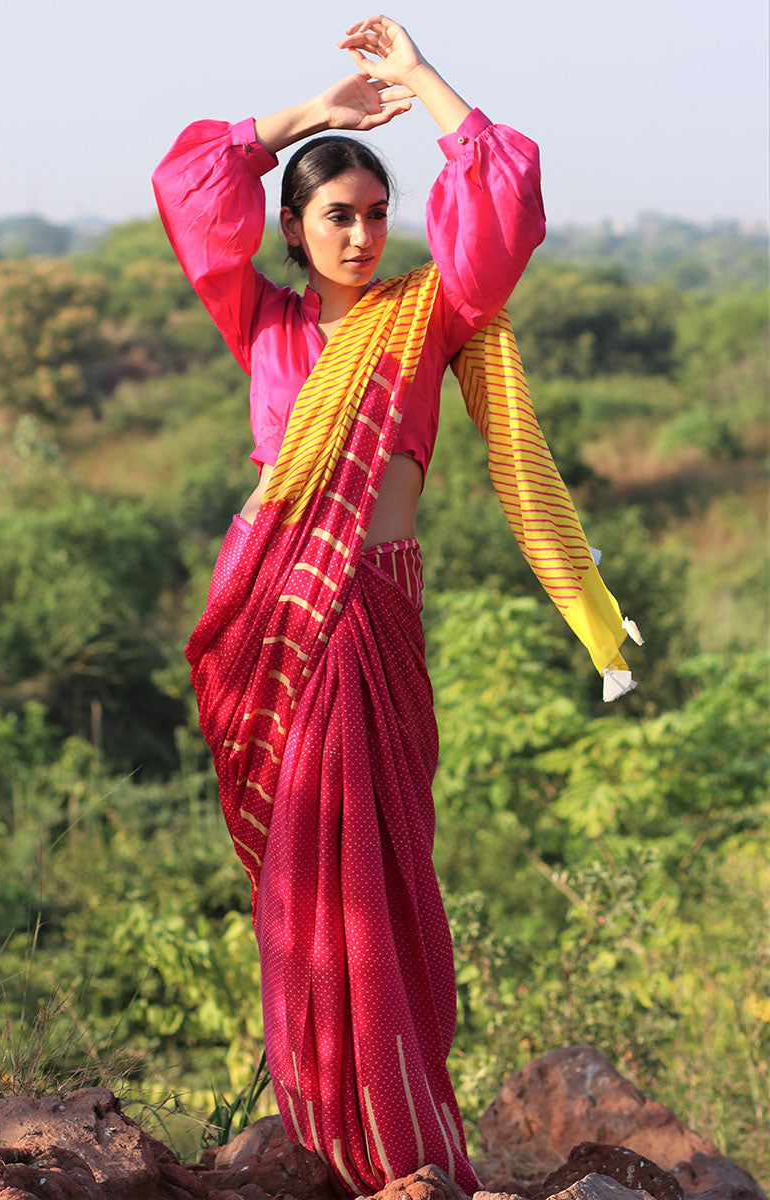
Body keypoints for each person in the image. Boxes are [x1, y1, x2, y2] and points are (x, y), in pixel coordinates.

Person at [153, 15, 639, 1197]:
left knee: (386, 869)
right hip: (279, 617)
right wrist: (313, 114)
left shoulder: (432, 314)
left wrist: (422, 82)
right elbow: (187, 183)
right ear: (294, 228)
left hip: (376, 611)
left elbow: (505, 216)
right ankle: (325, 1134)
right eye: (337, 215)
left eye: (377, 213)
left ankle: (406, 1141)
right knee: (307, 894)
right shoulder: (262, 321)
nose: (365, 234)